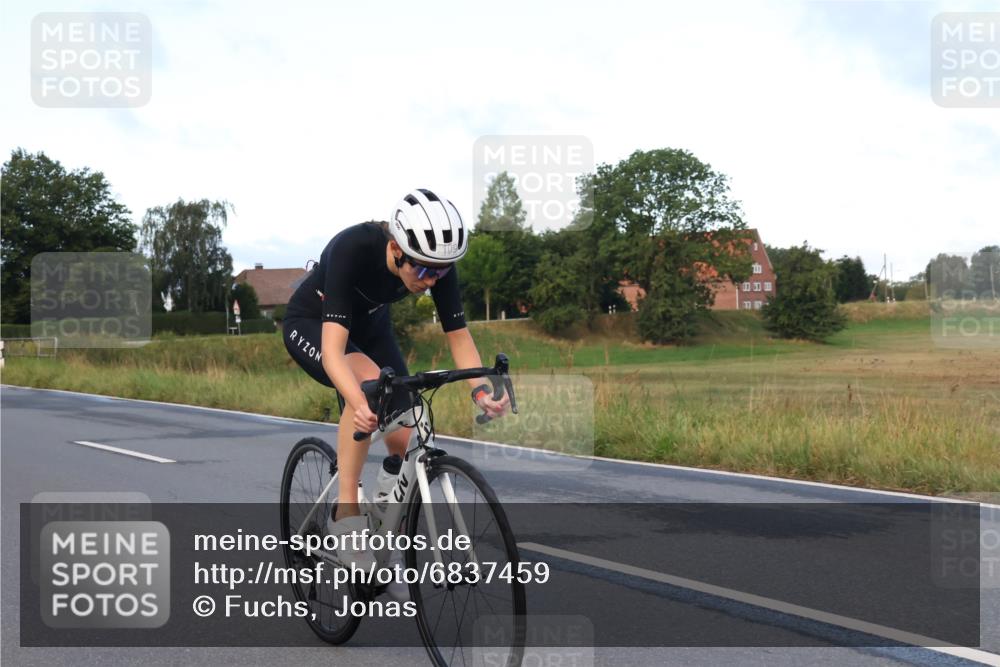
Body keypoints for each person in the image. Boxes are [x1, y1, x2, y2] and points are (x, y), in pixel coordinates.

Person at [282, 187, 510, 566]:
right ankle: (347, 516)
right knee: (371, 388)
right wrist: (358, 402)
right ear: (395, 250)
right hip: (314, 325)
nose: (431, 281)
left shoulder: (436, 266)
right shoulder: (351, 248)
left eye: (441, 272)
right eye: (422, 270)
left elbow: (458, 335)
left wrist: (480, 392)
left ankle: (384, 518)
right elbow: (336, 354)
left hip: (372, 329)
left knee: (406, 433)